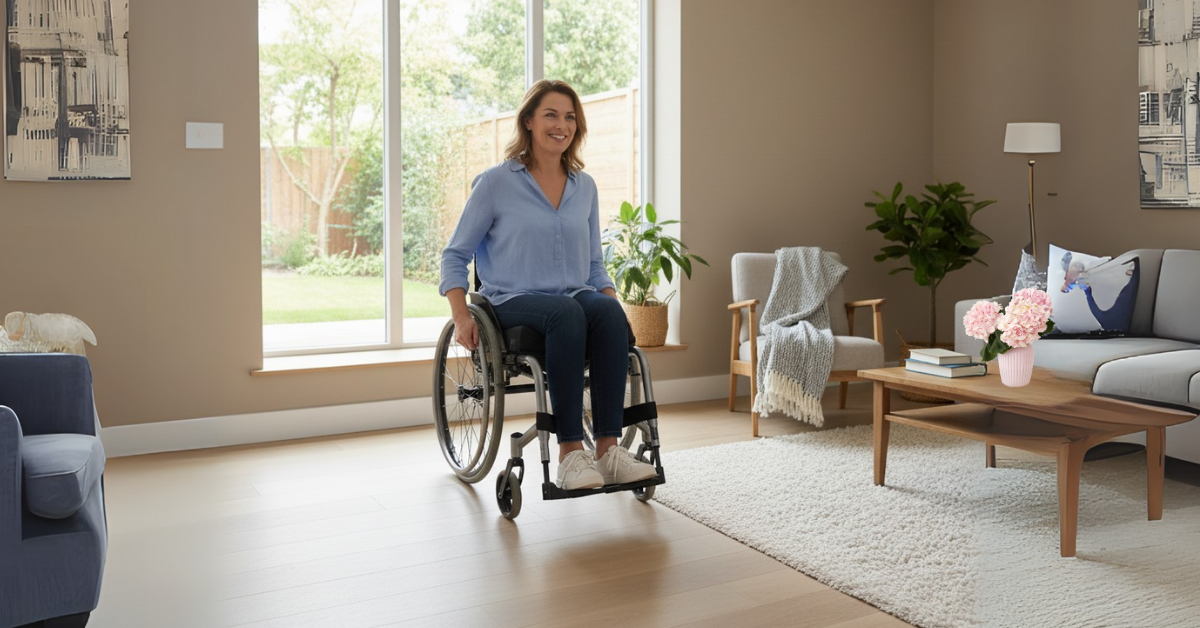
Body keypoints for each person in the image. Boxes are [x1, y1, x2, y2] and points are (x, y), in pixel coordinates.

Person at [439, 80, 657, 491]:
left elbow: (594, 265)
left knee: (606, 311)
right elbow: (454, 255)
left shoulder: (584, 186)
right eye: (551, 115)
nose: (562, 125)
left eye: (570, 117)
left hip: (573, 297)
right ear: (528, 122)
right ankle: (571, 453)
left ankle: (609, 450)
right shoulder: (495, 183)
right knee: (567, 313)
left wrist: (613, 305)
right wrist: (460, 312)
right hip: (511, 300)